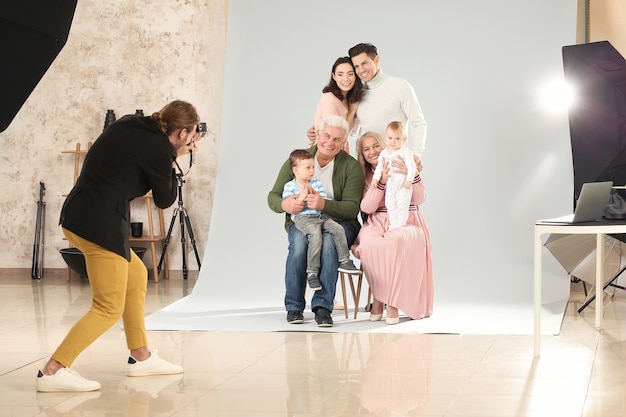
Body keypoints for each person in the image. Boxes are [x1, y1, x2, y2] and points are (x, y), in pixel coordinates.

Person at [36, 100, 202, 392]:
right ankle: (53, 371)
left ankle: (141, 356)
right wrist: (175, 155)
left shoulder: (128, 122)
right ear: (182, 133)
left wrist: (172, 152)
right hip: (99, 226)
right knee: (107, 307)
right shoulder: (162, 149)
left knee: (136, 275)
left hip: (77, 215)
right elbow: (165, 200)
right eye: (188, 136)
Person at [268, 115, 364, 327]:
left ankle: (322, 307)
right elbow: (273, 196)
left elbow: (351, 208)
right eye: (327, 135)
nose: (330, 142)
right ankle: (294, 306)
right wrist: (286, 205)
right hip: (304, 220)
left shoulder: (351, 167)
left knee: (329, 242)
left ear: (344, 141)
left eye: (337, 139)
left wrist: (324, 205)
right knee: (300, 244)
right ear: (317, 134)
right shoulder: (298, 160)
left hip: (339, 223)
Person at [351, 131, 433, 324]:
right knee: (369, 244)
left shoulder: (405, 161)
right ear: (362, 154)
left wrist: (411, 174)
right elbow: (367, 207)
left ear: (385, 145)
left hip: (407, 219)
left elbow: (420, 198)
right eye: (366, 149)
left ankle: (391, 302)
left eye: (376, 146)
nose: (372, 151)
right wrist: (381, 183)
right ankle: (378, 299)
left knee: (396, 241)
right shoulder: (365, 175)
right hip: (377, 220)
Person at [307, 43, 427, 160]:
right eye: (356, 66)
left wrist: (416, 155)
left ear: (376, 60)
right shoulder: (357, 93)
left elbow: (418, 122)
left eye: (364, 63)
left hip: (394, 162)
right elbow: (350, 133)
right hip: (366, 164)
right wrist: (319, 129)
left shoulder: (400, 86)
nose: (361, 70)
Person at [282, 149, 362, 292]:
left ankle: (345, 261)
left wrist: (316, 197)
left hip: (319, 216)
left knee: (337, 229)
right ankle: (312, 273)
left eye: (313, 167)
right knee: (315, 235)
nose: (312, 171)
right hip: (303, 218)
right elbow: (292, 206)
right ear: (296, 170)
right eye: (308, 168)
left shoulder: (316, 184)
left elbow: (322, 202)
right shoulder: (290, 186)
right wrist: (302, 196)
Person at [312, 56, 364, 154]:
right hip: (326, 152)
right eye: (340, 74)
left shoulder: (351, 101)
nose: (345, 79)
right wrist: (351, 112)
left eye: (350, 74)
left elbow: (351, 134)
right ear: (334, 76)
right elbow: (334, 133)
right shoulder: (329, 99)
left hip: (341, 151)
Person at [372, 121, 417, 230]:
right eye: (390, 138)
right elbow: (380, 167)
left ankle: (401, 224)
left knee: (402, 204)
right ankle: (393, 224)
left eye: (397, 139)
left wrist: (409, 180)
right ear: (385, 138)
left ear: (404, 140)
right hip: (390, 184)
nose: (393, 142)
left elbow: (412, 167)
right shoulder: (384, 153)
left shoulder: (405, 152)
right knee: (390, 203)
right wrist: (375, 178)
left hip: (403, 185)